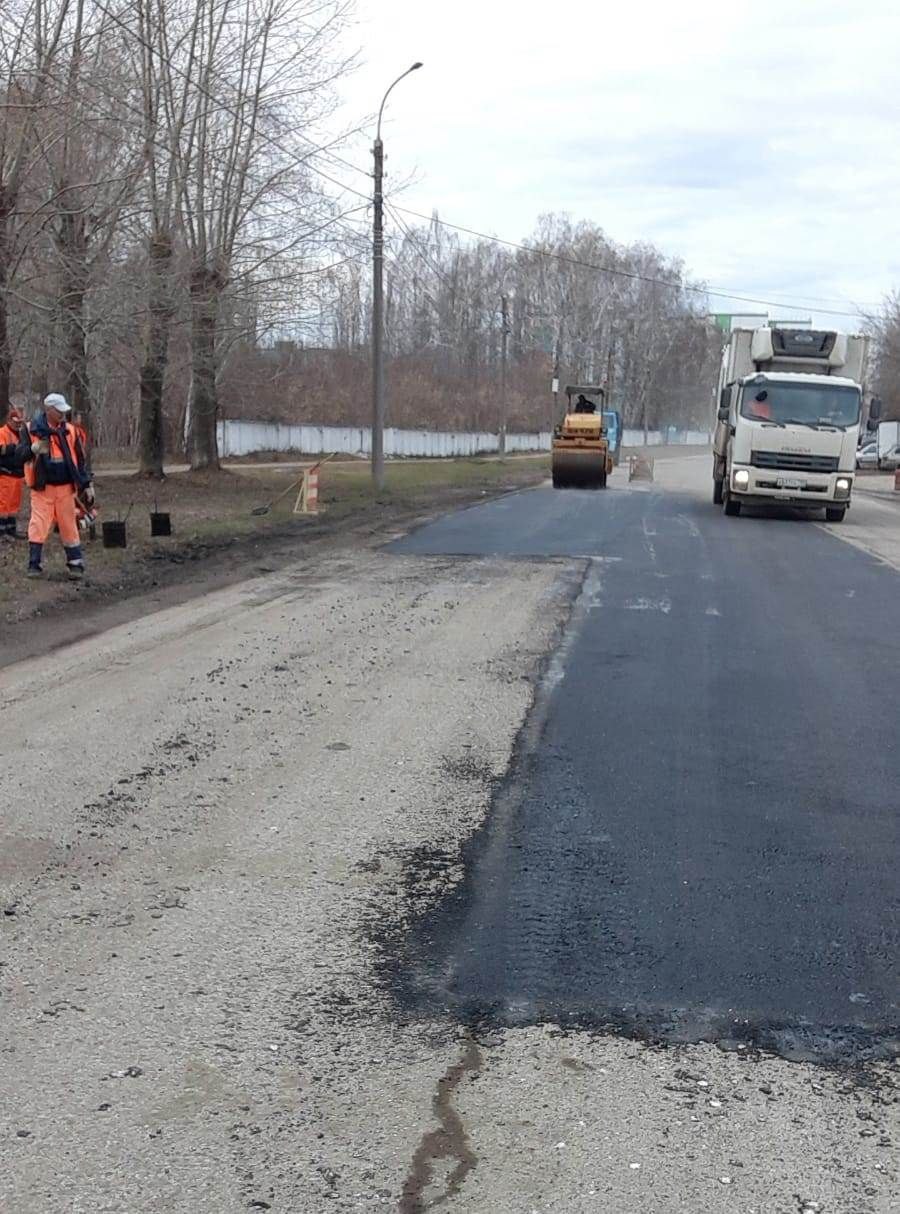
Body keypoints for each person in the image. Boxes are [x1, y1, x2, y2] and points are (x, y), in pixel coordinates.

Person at [23, 392, 94, 579]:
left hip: (65, 487)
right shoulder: (30, 430)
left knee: (69, 525)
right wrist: (32, 450)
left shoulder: (71, 431)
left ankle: (76, 564)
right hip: (42, 487)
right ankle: (34, 565)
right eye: (59, 410)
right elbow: (18, 456)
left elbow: (80, 460)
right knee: (38, 525)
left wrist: (87, 484)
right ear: (48, 410)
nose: (63, 414)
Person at [0, 406, 27, 539]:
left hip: (17, 474)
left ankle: (11, 530)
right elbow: (1, 450)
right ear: (9, 420)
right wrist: (15, 448)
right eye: (16, 422)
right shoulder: (2, 432)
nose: (18, 425)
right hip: (6, 474)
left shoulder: (21, 434)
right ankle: (2, 531)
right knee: (4, 504)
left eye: (20, 422)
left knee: (14, 505)